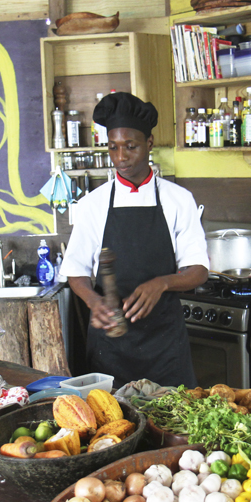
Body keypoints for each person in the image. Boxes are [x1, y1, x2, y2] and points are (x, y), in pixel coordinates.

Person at [60, 92, 208, 387]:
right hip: (112, 348)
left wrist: (162, 283)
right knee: (114, 427)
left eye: (131, 146)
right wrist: (93, 301)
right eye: (113, 147)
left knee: (171, 426)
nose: (121, 157)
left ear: (149, 144)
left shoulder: (178, 200)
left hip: (165, 347)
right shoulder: (93, 204)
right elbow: (76, 270)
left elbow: (198, 271)